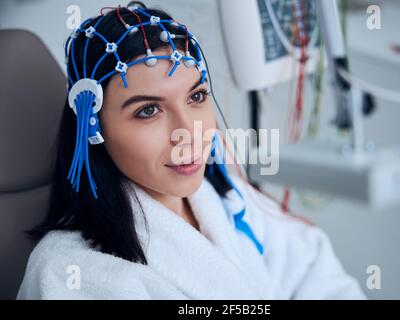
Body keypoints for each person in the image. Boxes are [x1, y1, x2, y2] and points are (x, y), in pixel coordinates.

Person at [17, 3, 366, 300]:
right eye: (148, 110)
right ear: (93, 129)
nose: (190, 133)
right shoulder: (71, 273)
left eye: (196, 96)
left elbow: (312, 267)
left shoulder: (226, 195)